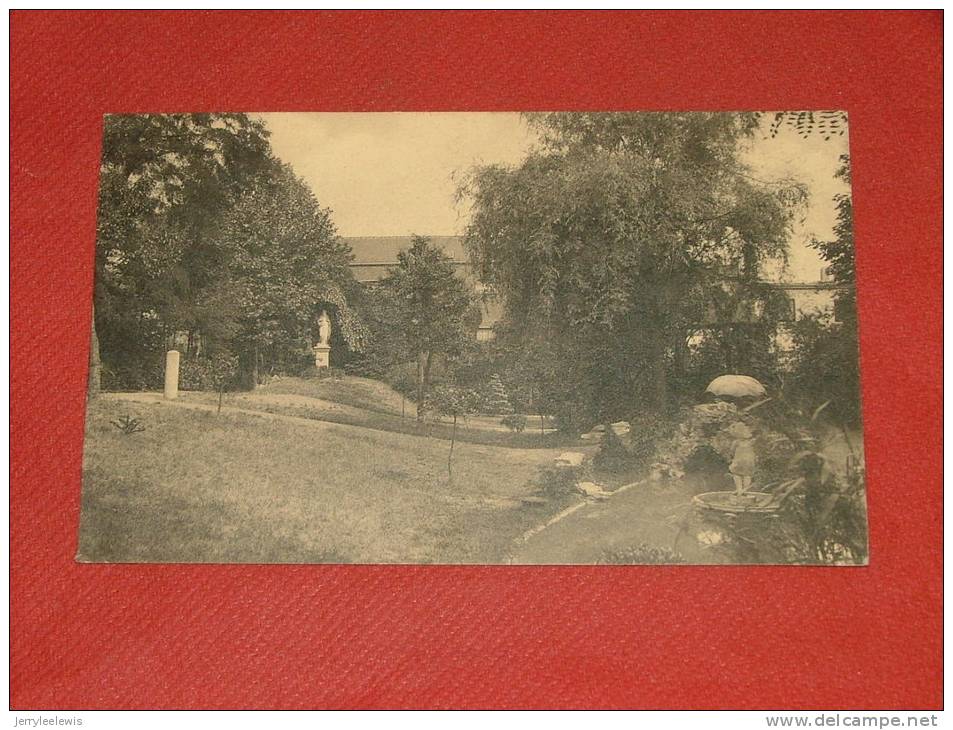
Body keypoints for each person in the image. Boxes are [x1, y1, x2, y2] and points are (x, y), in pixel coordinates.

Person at [728, 421, 756, 494]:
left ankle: (739, 489)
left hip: (738, 461)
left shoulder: (736, 442)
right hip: (749, 461)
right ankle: (745, 489)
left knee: (736, 474)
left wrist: (731, 456)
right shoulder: (751, 442)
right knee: (747, 475)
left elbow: (732, 451)